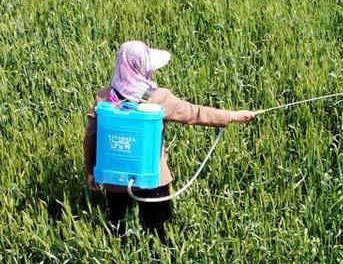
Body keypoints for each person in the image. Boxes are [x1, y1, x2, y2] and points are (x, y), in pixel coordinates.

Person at [83, 40, 255, 244]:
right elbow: (195, 113)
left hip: (114, 179)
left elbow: (90, 138)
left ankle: (119, 257)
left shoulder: (104, 98)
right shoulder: (158, 98)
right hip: (152, 178)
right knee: (159, 230)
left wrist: (91, 171)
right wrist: (232, 116)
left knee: (115, 225)